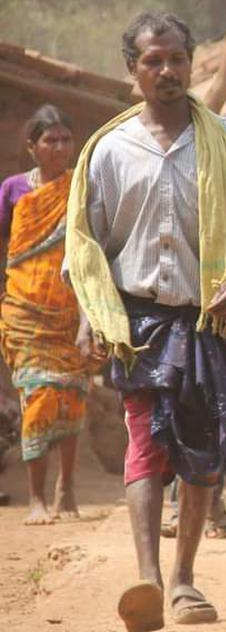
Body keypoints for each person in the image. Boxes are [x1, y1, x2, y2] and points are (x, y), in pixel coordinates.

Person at [66, 12, 226, 630]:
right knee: (146, 443)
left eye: (177, 58)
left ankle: (184, 581)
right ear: (133, 71)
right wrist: (90, 316)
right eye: (153, 61)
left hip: (211, 318)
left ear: (192, 61)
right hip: (138, 320)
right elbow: (86, 246)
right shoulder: (108, 150)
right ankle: (147, 578)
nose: (168, 71)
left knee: (202, 452)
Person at [0, 105, 89, 526]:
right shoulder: (14, 190)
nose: (60, 147)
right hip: (24, 312)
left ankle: (66, 490)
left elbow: (94, 248)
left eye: (66, 139)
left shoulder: (81, 188)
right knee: (37, 399)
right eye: (50, 140)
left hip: (70, 312)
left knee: (71, 399)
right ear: (32, 147)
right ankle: (37, 497)